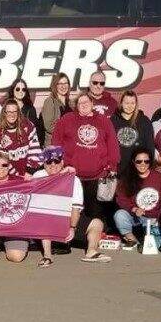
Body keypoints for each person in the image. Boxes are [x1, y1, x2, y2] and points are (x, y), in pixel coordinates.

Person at [51, 93, 119, 256]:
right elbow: (56, 142)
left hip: (97, 176)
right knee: (70, 212)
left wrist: (112, 166)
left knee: (95, 213)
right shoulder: (67, 119)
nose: (83, 104)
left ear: (92, 102)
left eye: (86, 101)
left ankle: (91, 243)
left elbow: (112, 144)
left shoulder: (103, 120)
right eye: (80, 102)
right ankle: (64, 243)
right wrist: (62, 165)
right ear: (75, 105)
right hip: (72, 176)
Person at [28, 146, 95, 267]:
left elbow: (76, 207)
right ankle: (47, 255)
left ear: (62, 162)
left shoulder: (73, 179)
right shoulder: (38, 176)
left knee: (97, 224)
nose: (53, 164)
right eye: (49, 161)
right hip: (45, 218)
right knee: (45, 214)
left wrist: (72, 228)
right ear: (44, 163)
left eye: (56, 161)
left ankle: (91, 252)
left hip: (67, 217)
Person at [113, 148, 161, 249]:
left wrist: (159, 217)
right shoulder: (126, 178)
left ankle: (150, 237)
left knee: (157, 245)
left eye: (146, 161)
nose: (143, 164)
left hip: (154, 218)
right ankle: (134, 241)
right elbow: (121, 199)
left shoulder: (160, 178)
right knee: (119, 215)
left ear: (150, 162)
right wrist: (134, 209)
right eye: (139, 161)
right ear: (133, 162)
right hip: (136, 216)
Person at [0, 98, 41, 175]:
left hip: (28, 173)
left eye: (15, 112)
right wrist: (16, 175)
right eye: (9, 112)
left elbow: (35, 150)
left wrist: (29, 171)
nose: (12, 114)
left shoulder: (28, 126)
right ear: (4, 113)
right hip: (7, 174)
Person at [110, 91, 155, 173]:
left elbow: (150, 146)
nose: (129, 106)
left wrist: (148, 166)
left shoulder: (144, 121)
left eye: (132, 103)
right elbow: (109, 146)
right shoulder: (113, 120)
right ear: (121, 103)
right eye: (126, 103)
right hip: (118, 170)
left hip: (138, 169)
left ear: (136, 104)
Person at [39, 73, 74, 145]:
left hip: (68, 144)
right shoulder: (50, 101)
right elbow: (48, 126)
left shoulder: (71, 103)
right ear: (55, 86)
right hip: (54, 145)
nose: (63, 86)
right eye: (60, 83)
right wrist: (68, 130)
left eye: (65, 83)